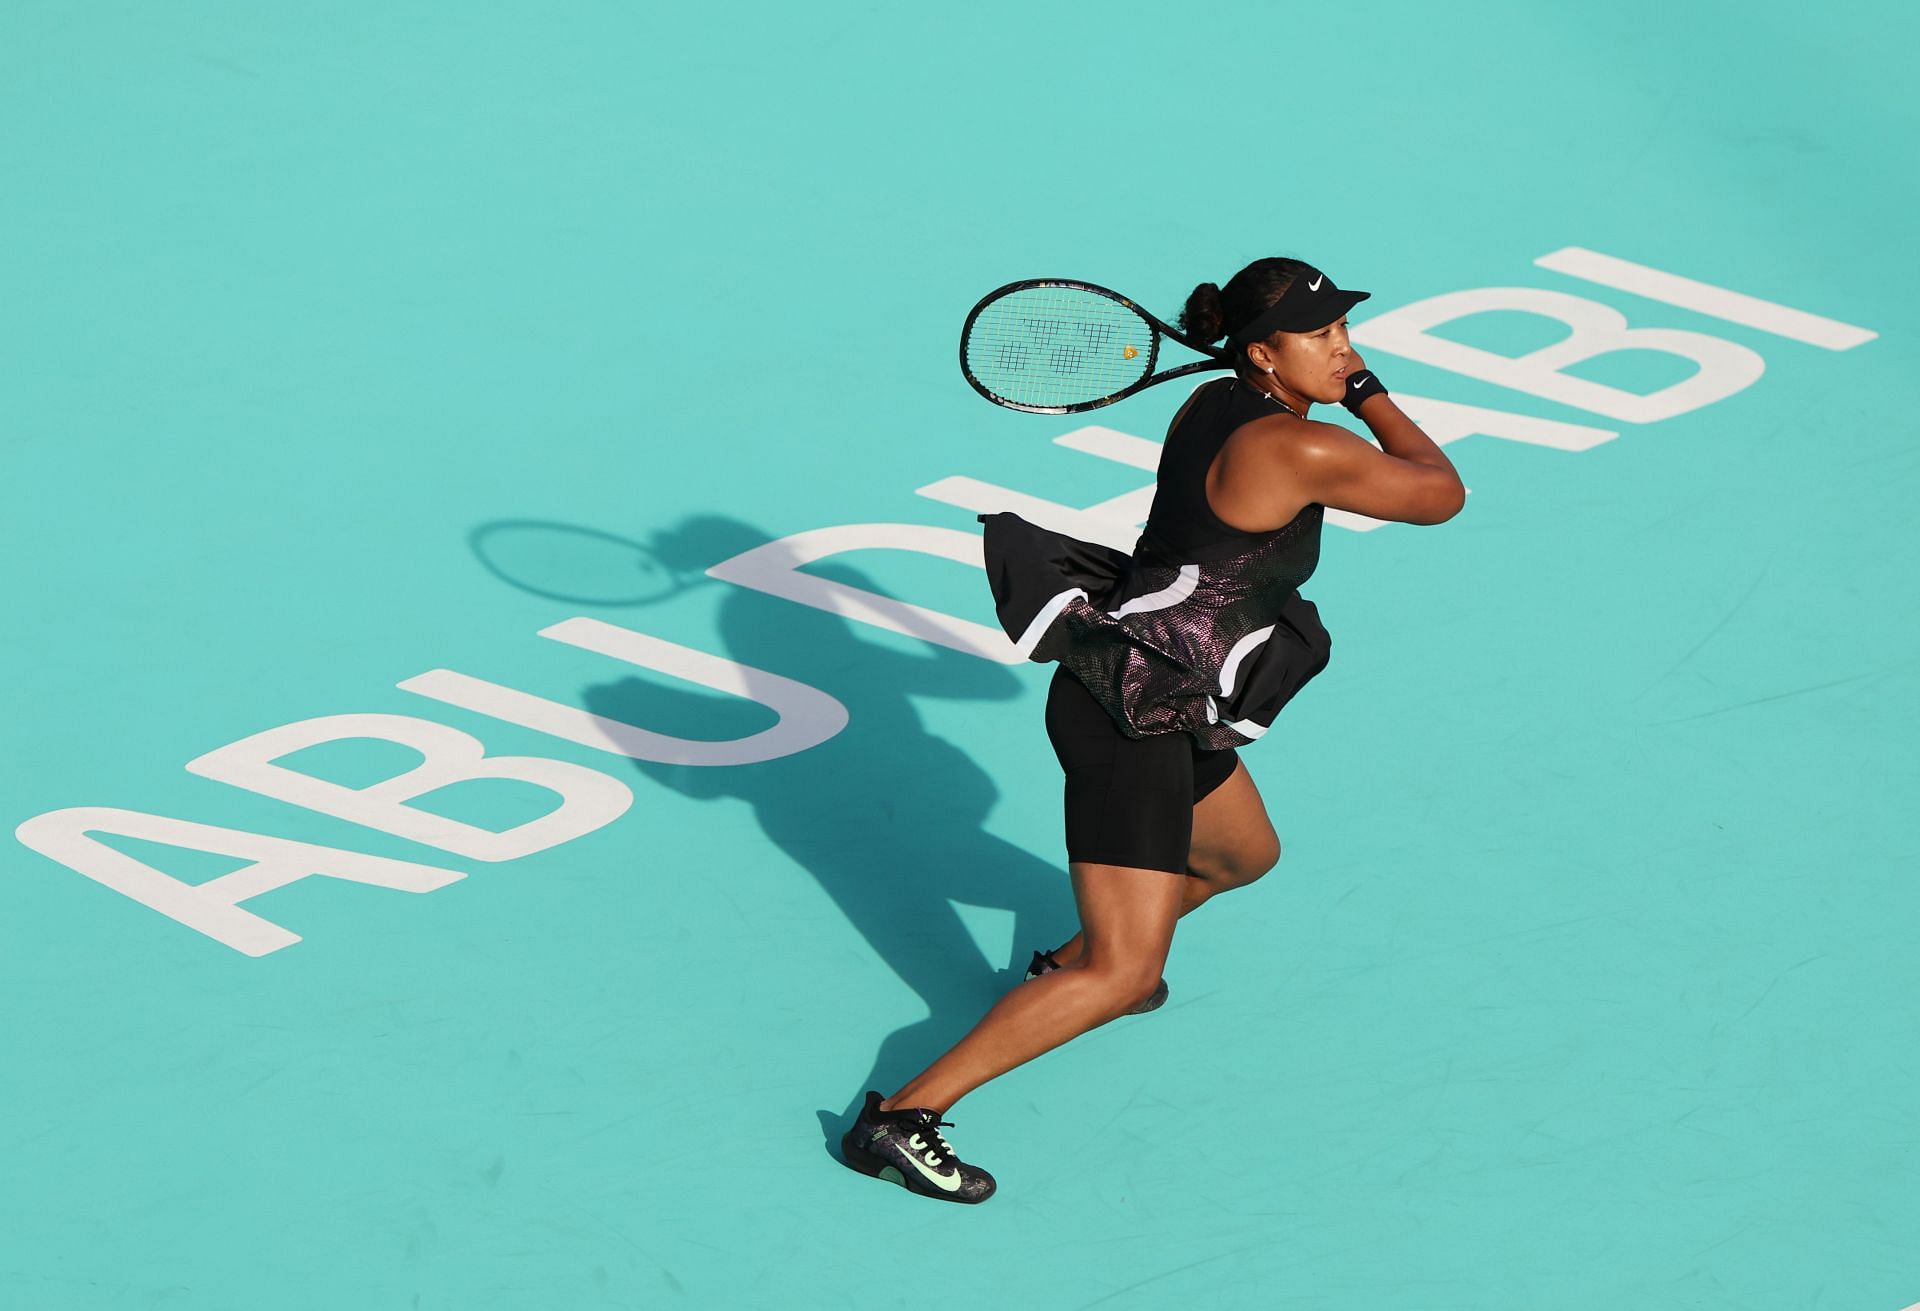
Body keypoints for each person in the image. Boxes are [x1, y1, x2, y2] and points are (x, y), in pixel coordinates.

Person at [840, 256, 1466, 1203]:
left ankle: (1065, 965)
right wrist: (1370, 390)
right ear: (1263, 352)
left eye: (1344, 329)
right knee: (1128, 973)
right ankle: (902, 1116)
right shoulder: (1302, 450)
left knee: (1240, 854)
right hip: (1132, 712)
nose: (1344, 346)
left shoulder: (1211, 400)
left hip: (1168, 690)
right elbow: (1439, 491)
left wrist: (1335, 378)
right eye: (1322, 335)